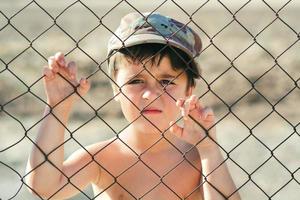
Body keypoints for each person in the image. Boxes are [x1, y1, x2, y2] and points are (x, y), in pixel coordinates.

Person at [25, 12, 241, 200]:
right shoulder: (101, 158)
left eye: (167, 82)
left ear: (189, 90)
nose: (149, 94)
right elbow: (44, 188)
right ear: (115, 88)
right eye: (135, 81)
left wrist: (209, 150)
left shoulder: (199, 159)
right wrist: (58, 107)